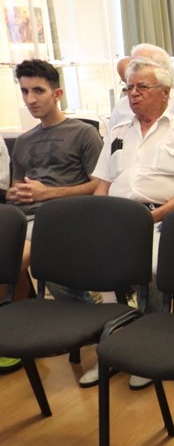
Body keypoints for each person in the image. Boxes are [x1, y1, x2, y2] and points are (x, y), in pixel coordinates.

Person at [85, 57, 174, 390]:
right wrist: (100, 220)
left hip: (162, 219)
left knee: (152, 269)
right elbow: (102, 186)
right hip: (116, 219)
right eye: (129, 88)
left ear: (165, 92)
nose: (133, 93)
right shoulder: (118, 132)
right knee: (83, 267)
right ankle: (113, 346)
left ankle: (149, 349)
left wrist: (146, 219)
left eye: (142, 87)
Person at [6, 60, 102, 303]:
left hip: (59, 216)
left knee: (9, 260)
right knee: (8, 266)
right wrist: (14, 193)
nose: (30, 99)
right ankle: (18, 316)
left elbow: (100, 186)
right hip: (21, 216)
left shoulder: (84, 133)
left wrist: (46, 193)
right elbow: (16, 186)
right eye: (25, 91)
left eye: (38, 91)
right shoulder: (23, 141)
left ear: (57, 94)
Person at [109, 44, 174, 133]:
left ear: (162, 70)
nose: (133, 70)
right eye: (132, 65)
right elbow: (109, 142)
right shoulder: (120, 107)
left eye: (141, 65)